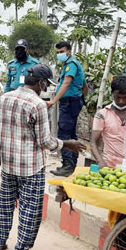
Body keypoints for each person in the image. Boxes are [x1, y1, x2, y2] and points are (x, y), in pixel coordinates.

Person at [0, 64, 86, 250]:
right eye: (46, 84)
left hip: (8, 163)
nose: (45, 88)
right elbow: (45, 143)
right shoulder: (37, 105)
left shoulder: (4, 98)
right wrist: (67, 144)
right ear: (41, 83)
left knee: (5, 205)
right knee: (30, 210)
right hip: (31, 167)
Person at [0, 39, 41, 166]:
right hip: (12, 98)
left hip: (27, 100)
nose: (19, 51)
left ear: (27, 49)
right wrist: (4, 97)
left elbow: (37, 83)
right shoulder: (11, 64)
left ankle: (21, 157)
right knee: (3, 127)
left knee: (23, 129)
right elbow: (8, 82)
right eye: (17, 49)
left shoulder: (35, 64)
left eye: (22, 49)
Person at [48, 41, 86, 177]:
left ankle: (68, 165)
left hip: (69, 103)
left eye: (62, 52)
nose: (60, 55)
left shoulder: (71, 65)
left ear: (69, 51)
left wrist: (54, 100)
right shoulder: (73, 64)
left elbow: (66, 82)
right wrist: (80, 100)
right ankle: (71, 164)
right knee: (71, 134)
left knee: (64, 133)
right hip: (73, 101)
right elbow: (84, 85)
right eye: (58, 53)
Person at [90, 76, 126, 168]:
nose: (121, 101)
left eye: (125, 98)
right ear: (112, 94)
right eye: (117, 97)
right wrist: (100, 161)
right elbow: (93, 142)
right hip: (109, 164)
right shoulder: (102, 114)